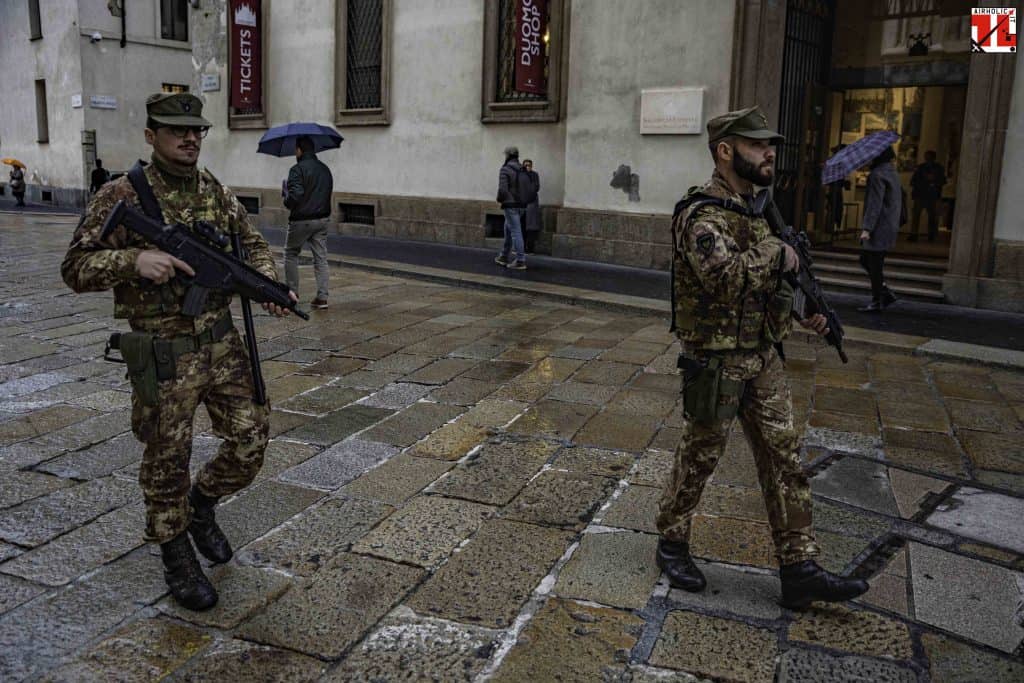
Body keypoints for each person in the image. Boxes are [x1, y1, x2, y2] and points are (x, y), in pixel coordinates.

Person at [61, 93, 297, 611]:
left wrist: (268, 283)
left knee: (251, 441)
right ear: (151, 135)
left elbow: (251, 243)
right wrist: (133, 259)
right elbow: (75, 267)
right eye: (176, 131)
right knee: (167, 459)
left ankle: (202, 505)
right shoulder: (121, 194)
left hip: (221, 344)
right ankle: (174, 550)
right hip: (164, 355)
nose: (190, 139)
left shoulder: (214, 190)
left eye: (196, 131)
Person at [658, 105, 869, 610]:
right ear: (726, 152)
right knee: (700, 457)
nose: (769, 151)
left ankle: (799, 568)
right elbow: (726, 279)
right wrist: (779, 254)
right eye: (757, 145)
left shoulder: (758, 212)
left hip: (763, 358)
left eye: (770, 144)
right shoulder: (701, 216)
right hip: (716, 362)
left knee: (785, 461)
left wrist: (802, 312)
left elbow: (767, 284)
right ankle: (671, 543)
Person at [283, 135, 334, 310]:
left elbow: (295, 196)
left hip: (301, 220)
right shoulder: (325, 169)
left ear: (299, 150)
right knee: (320, 258)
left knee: (291, 253)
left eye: (295, 150)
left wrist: (286, 198)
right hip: (322, 220)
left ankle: (292, 294)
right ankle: (322, 298)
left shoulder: (296, 170)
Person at [858, 146, 900, 312]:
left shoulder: (877, 175)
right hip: (889, 224)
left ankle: (878, 299)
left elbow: (875, 204)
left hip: (878, 227)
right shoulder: (892, 173)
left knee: (874, 264)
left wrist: (867, 228)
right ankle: (883, 293)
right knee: (867, 260)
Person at [495, 145, 527, 270]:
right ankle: (503, 255)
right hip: (522, 205)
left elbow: (503, 190)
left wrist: (500, 199)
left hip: (511, 204)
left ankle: (520, 260)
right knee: (508, 228)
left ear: (508, 155)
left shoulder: (505, 169)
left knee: (515, 232)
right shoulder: (523, 169)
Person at [908, 150, 945, 243]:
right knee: (917, 215)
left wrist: (934, 181)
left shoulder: (937, 168)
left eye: (929, 157)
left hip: (930, 195)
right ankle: (915, 234)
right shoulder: (922, 167)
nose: (927, 159)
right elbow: (913, 181)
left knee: (931, 216)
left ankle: (929, 234)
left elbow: (942, 180)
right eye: (927, 157)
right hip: (922, 194)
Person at [522, 159, 542, 253]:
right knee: (522, 226)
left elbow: (536, 187)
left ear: (531, 166)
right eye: (525, 165)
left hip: (531, 204)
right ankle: (521, 248)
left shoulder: (534, 175)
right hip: (522, 204)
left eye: (529, 165)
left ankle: (530, 249)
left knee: (531, 227)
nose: (527, 167)